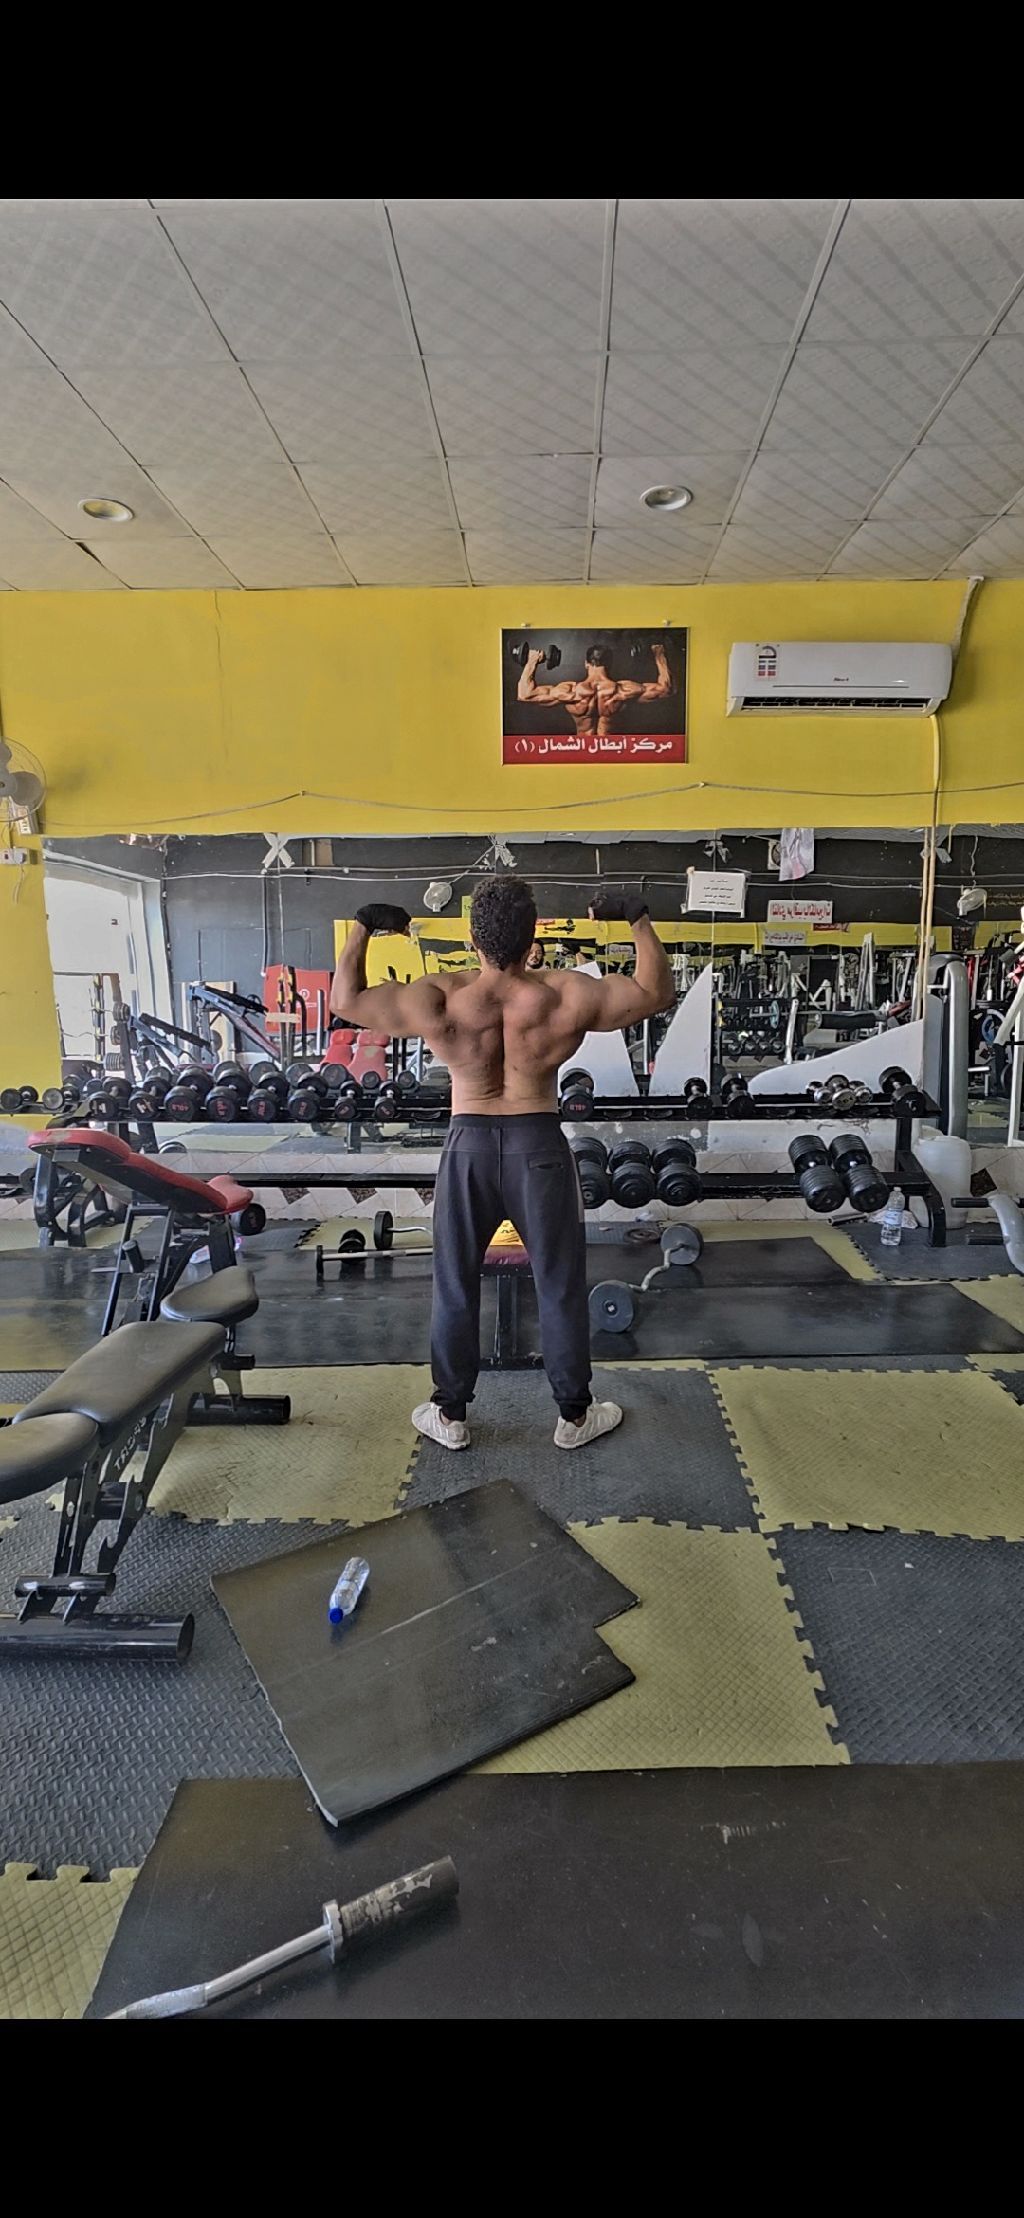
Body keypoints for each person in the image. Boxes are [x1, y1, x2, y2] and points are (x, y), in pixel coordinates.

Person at [331, 880, 674, 1451]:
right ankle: (573, 1416)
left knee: (455, 1283)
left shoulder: (439, 996)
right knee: (558, 1283)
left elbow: (346, 1000)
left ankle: (450, 1413)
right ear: (533, 938)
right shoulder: (564, 994)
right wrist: (637, 917)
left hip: (467, 1146)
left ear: (472, 939)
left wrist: (364, 925)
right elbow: (654, 992)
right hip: (537, 1147)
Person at [517, 641, 673, 740]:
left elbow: (525, 694)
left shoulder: (571, 692)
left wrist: (532, 661)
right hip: (614, 751)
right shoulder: (623, 690)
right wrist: (659, 655)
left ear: (586, 663)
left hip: (582, 750)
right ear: (609, 663)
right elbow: (666, 688)